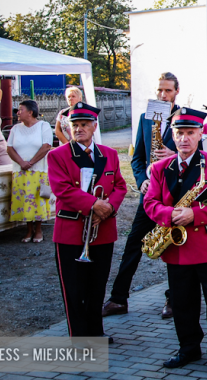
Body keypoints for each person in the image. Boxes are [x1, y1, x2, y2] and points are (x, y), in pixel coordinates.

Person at [144, 107, 207, 377]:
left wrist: (194, 214)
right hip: (177, 249)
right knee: (183, 303)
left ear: (200, 134)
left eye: (190, 133)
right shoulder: (160, 168)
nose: (184, 139)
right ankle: (188, 348)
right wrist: (169, 214)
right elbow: (149, 203)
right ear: (172, 135)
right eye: (179, 133)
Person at [48, 102, 127, 340]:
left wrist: (109, 207)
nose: (79, 129)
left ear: (94, 126)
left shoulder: (109, 154)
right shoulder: (58, 155)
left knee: (97, 285)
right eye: (75, 125)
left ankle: (96, 332)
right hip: (72, 230)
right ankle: (79, 336)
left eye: (84, 124)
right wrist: (94, 205)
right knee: (74, 288)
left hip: (102, 229)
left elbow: (121, 186)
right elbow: (62, 189)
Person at [102, 72, 179, 319]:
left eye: (167, 90)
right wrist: (142, 181)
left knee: (174, 246)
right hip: (151, 193)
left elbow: (197, 155)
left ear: (176, 91)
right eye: (160, 90)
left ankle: (174, 299)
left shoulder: (184, 116)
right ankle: (118, 299)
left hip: (176, 193)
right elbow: (136, 158)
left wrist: (174, 155)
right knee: (133, 244)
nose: (162, 95)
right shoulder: (147, 117)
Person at [7, 100, 53, 243]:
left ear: (30, 112)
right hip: (20, 170)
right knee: (24, 200)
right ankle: (28, 230)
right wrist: (21, 163)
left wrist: (31, 162)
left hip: (38, 170)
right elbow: (9, 148)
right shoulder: (15, 128)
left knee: (37, 199)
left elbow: (46, 146)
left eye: (20, 110)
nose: (18, 113)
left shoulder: (43, 126)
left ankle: (38, 230)